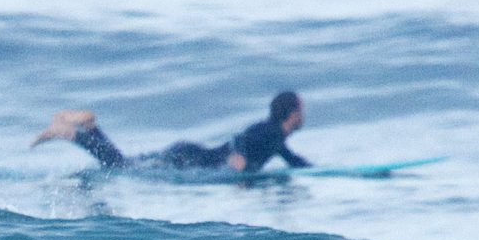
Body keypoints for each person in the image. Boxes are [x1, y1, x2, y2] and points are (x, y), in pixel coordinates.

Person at [35, 90, 312, 174]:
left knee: (124, 163)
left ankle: (90, 127)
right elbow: (243, 138)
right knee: (121, 167)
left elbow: (293, 160)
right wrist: (238, 157)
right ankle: (70, 133)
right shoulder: (270, 131)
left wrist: (332, 170)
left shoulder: (276, 138)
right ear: (292, 112)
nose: (304, 115)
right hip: (189, 160)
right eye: (302, 109)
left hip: (189, 154)